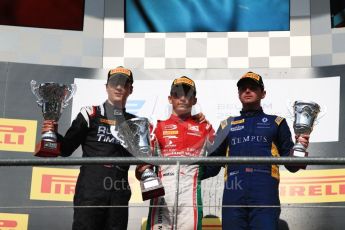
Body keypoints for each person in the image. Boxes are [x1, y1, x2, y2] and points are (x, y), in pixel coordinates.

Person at [202, 71, 310, 230]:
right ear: (238, 93)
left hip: (265, 191)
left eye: (253, 87)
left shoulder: (277, 122)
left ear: (263, 93)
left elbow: (291, 165)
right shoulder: (226, 124)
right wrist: (188, 170)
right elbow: (212, 166)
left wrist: (300, 146)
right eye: (243, 88)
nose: (247, 91)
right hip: (234, 190)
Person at [41, 66, 135, 230]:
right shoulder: (90, 113)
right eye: (114, 83)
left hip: (119, 193)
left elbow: (143, 160)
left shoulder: (135, 123)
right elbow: (66, 149)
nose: (119, 87)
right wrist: (52, 132)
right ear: (107, 87)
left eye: (124, 84)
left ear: (130, 89)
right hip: (90, 190)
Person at [136, 76, 215, 230]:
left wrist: (197, 174)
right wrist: (144, 172)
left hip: (190, 200)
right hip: (161, 198)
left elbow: (218, 160)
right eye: (177, 94)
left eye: (188, 95)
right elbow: (141, 171)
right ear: (170, 98)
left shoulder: (204, 127)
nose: (183, 98)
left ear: (194, 100)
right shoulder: (157, 128)